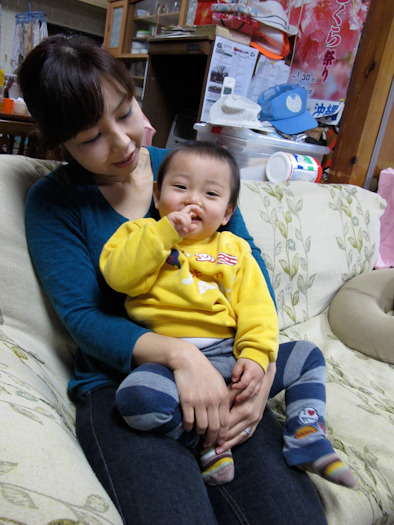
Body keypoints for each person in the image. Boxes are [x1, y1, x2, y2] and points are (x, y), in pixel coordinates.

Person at [18, 33, 330, 524]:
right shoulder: (54, 202)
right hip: (124, 384)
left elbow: (248, 268)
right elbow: (82, 316)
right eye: (90, 138)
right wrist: (181, 357)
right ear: (61, 143)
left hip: (225, 367)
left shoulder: (191, 169)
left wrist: (262, 365)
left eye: (123, 112)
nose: (122, 142)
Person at [100, 140, 355, 488]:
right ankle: (208, 442)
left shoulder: (234, 249)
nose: (193, 200)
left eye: (210, 194)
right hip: (171, 363)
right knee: (135, 399)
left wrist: (255, 355)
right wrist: (164, 232)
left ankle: (306, 432)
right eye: (180, 187)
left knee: (307, 356)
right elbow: (119, 276)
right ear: (157, 196)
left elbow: (257, 307)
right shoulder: (138, 234)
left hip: (229, 355)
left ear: (227, 213)